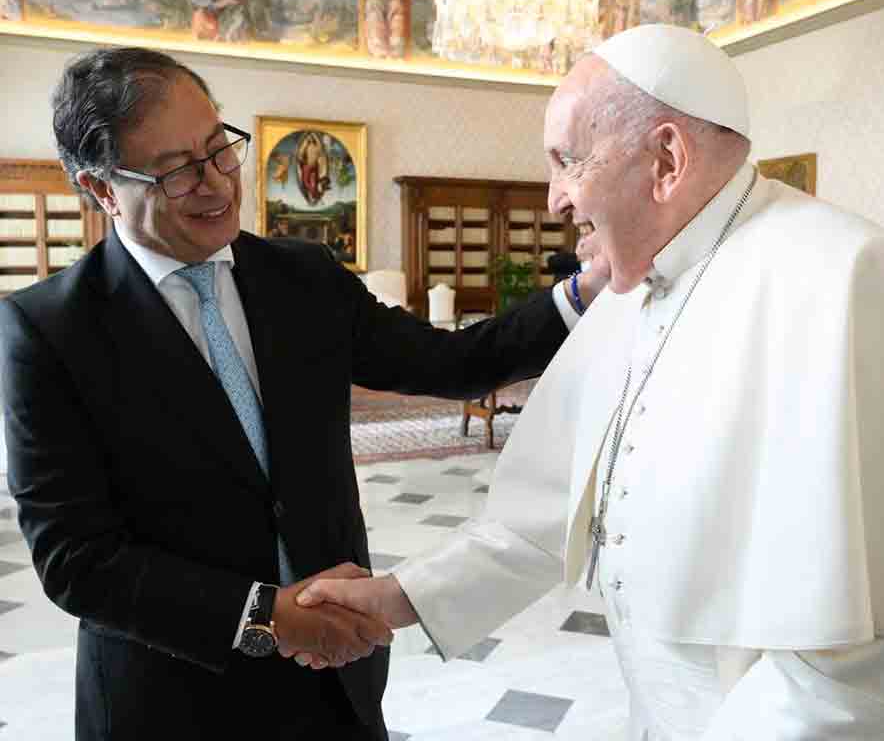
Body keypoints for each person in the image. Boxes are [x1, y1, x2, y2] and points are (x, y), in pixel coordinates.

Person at [296, 24, 884, 739]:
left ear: (666, 159)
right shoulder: (633, 287)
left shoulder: (855, 280)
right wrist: (399, 595)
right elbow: (548, 513)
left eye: (566, 160)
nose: (555, 199)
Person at [0, 47, 606, 740]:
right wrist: (264, 615)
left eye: (219, 148)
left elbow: (454, 363)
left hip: (334, 682)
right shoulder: (50, 330)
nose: (217, 183)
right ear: (102, 189)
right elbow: (77, 560)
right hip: (172, 697)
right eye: (176, 171)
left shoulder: (304, 278)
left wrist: (581, 295)